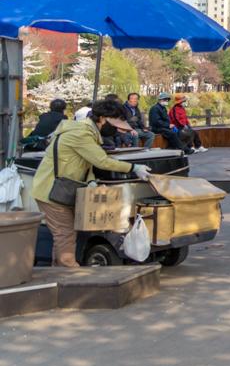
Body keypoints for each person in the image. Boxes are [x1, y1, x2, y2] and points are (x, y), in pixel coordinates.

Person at [32, 99, 151, 267]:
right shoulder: (81, 133)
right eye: (116, 122)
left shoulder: (87, 132)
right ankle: (69, 273)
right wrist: (134, 167)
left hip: (61, 190)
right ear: (102, 119)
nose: (117, 129)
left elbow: (86, 164)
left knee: (64, 235)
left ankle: (58, 272)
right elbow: (102, 161)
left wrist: (91, 181)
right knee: (65, 234)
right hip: (50, 191)